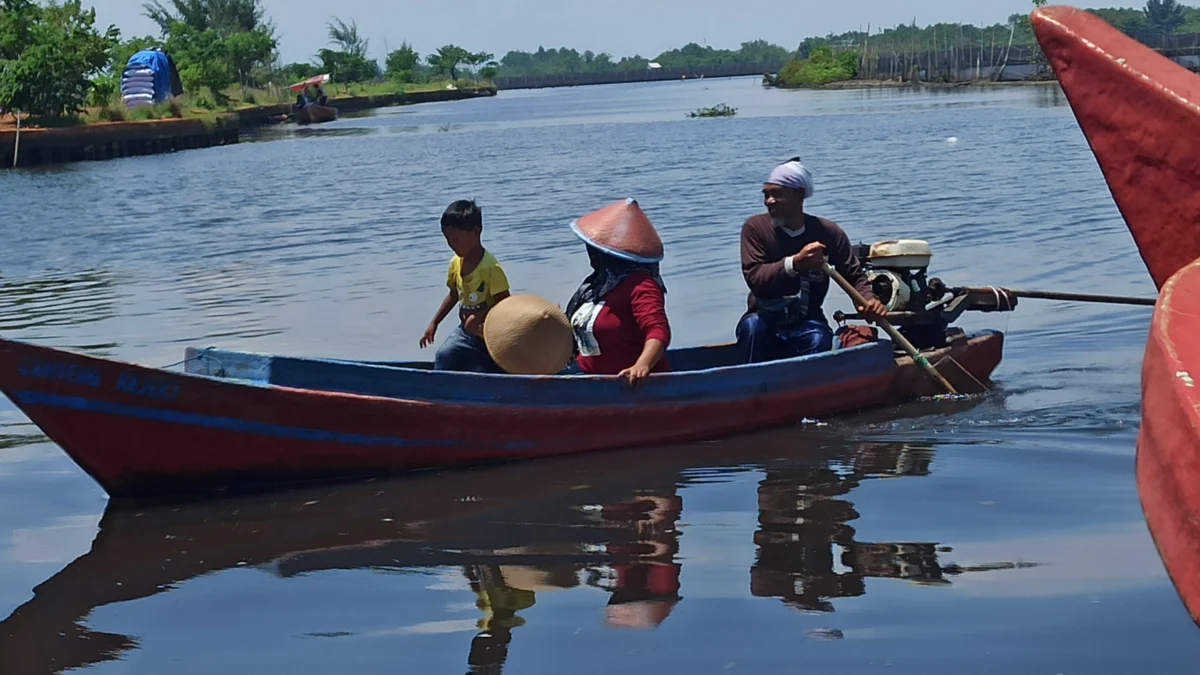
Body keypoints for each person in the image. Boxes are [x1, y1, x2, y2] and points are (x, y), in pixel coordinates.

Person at [736, 157, 888, 363]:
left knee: (818, 340)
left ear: (799, 195)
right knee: (752, 329)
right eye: (766, 194)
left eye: (777, 194)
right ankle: (751, 388)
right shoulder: (755, 228)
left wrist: (869, 301)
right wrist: (795, 264)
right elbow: (755, 277)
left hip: (807, 321)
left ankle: (810, 386)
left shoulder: (828, 232)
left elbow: (853, 275)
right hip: (763, 317)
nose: (769, 201)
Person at [563, 198, 671, 387]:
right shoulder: (594, 285)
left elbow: (658, 331)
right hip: (587, 379)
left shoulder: (641, 285)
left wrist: (642, 365)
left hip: (626, 385)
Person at [420, 199, 511, 372]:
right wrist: (434, 323)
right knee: (445, 355)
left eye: (455, 240)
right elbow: (453, 294)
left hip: (490, 336)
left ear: (475, 232)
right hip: (465, 332)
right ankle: (440, 391)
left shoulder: (491, 268)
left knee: (492, 370)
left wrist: (480, 315)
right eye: (448, 240)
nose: (451, 245)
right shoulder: (455, 263)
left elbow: (505, 304)